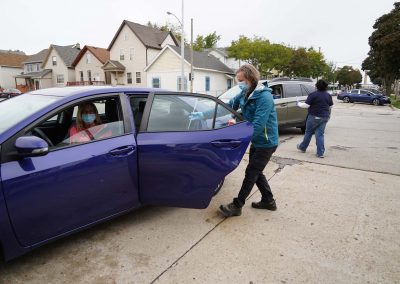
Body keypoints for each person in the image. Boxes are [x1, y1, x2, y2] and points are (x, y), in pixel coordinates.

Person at [218, 64, 279, 217]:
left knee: (251, 172)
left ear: (251, 79)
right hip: (257, 141)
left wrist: (240, 139)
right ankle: (268, 201)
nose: (239, 83)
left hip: (267, 142)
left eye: (241, 80)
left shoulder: (264, 97)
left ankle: (237, 205)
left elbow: (259, 124)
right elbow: (227, 106)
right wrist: (203, 114)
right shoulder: (245, 93)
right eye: (238, 80)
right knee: (257, 172)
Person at [296, 79, 333, 158]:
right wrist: (328, 115)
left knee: (308, 133)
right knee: (320, 135)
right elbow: (330, 106)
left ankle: (302, 148)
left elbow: (306, 105)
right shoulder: (328, 95)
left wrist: (298, 103)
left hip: (313, 116)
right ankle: (320, 153)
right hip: (324, 117)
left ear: (317, 86)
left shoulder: (313, 94)